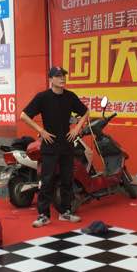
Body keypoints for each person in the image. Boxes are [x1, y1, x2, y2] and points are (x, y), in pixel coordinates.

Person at [21, 66, 90, 227]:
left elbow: (86, 112)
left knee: (67, 180)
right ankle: (43, 215)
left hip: (67, 145)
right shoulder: (43, 97)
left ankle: (65, 212)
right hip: (50, 146)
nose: (62, 78)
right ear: (51, 79)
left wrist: (77, 129)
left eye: (63, 75)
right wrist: (41, 131)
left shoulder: (70, 96)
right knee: (47, 181)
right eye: (58, 76)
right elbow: (24, 115)